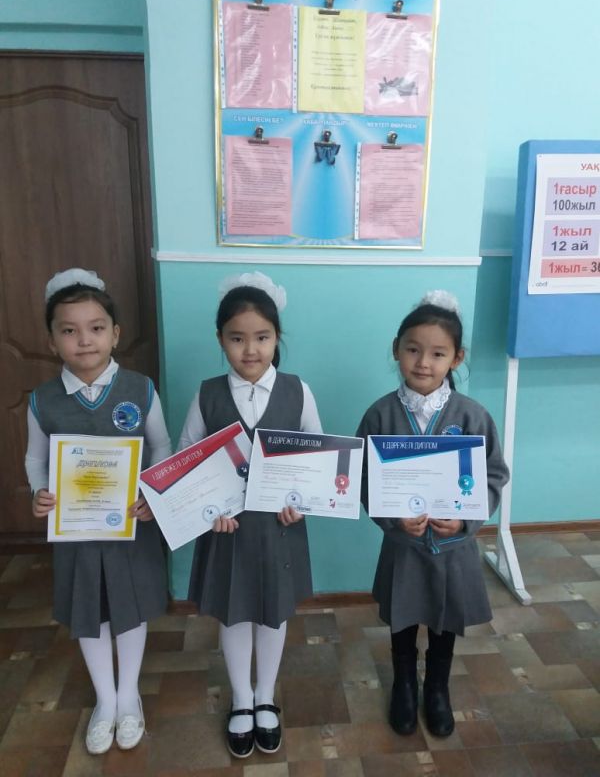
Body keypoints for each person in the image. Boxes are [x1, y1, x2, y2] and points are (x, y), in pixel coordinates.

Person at [26, 268, 171, 755]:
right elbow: (35, 459)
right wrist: (40, 491)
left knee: (130, 608)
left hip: (131, 522)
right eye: (69, 330)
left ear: (115, 334)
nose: (84, 340)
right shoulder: (43, 400)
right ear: (52, 341)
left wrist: (154, 493)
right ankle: (105, 701)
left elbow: (161, 446)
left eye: (95, 328)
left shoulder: (139, 388)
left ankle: (128, 696)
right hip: (77, 529)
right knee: (89, 610)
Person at [180, 271, 322, 759]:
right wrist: (207, 509)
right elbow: (187, 459)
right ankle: (241, 698)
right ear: (220, 339)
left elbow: (316, 459)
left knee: (273, 613)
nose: (250, 350)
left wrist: (301, 503)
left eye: (262, 337)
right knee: (235, 610)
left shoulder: (298, 391)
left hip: (279, 529)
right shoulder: (207, 394)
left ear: (277, 338)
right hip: (229, 530)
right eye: (237, 338)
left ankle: (265, 696)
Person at [356, 290, 509, 738]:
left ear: (456, 358)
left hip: (453, 548)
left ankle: (437, 688)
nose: (423, 362)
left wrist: (466, 521)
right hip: (403, 547)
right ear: (396, 350)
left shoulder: (472, 416)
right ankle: (404, 684)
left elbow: (493, 474)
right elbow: (362, 477)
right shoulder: (380, 415)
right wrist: (392, 519)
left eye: (438, 353)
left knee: (445, 622)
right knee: (402, 619)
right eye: (413, 350)